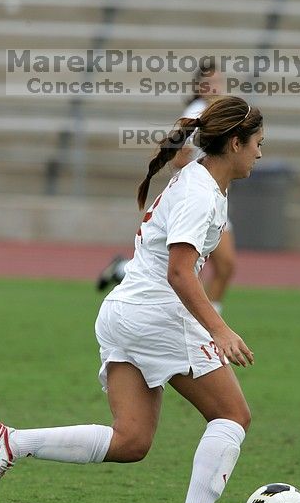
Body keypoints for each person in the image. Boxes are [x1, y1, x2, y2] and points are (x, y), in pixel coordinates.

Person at [0, 96, 264, 503]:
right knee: (233, 416)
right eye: (257, 144)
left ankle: (12, 441)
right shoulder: (199, 192)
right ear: (235, 143)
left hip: (124, 312)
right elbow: (179, 272)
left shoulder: (197, 181)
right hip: (158, 314)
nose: (259, 153)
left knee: (131, 441)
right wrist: (221, 329)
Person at [97, 63, 237, 315]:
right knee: (214, 266)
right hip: (201, 198)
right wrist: (200, 176)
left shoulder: (217, 113)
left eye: (219, 80)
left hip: (213, 198)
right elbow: (178, 157)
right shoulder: (198, 112)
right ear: (198, 87)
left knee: (207, 266)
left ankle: (122, 269)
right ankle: (208, 324)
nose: (215, 85)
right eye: (209, 81)